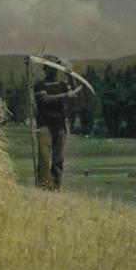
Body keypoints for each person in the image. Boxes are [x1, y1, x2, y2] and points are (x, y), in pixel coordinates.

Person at [33, 56, 80, 190]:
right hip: (44, 126)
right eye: (49, 68)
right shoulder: (39, 85)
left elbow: (74, 96)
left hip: (59, 126)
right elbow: (44, 99)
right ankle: (43, 187)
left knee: (58, 159)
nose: (51, 71)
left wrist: (70, 77)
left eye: (54, 68)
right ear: (45, 69)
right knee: (44, 159)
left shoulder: (63, 85)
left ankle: (55, 187)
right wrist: (65, 96)